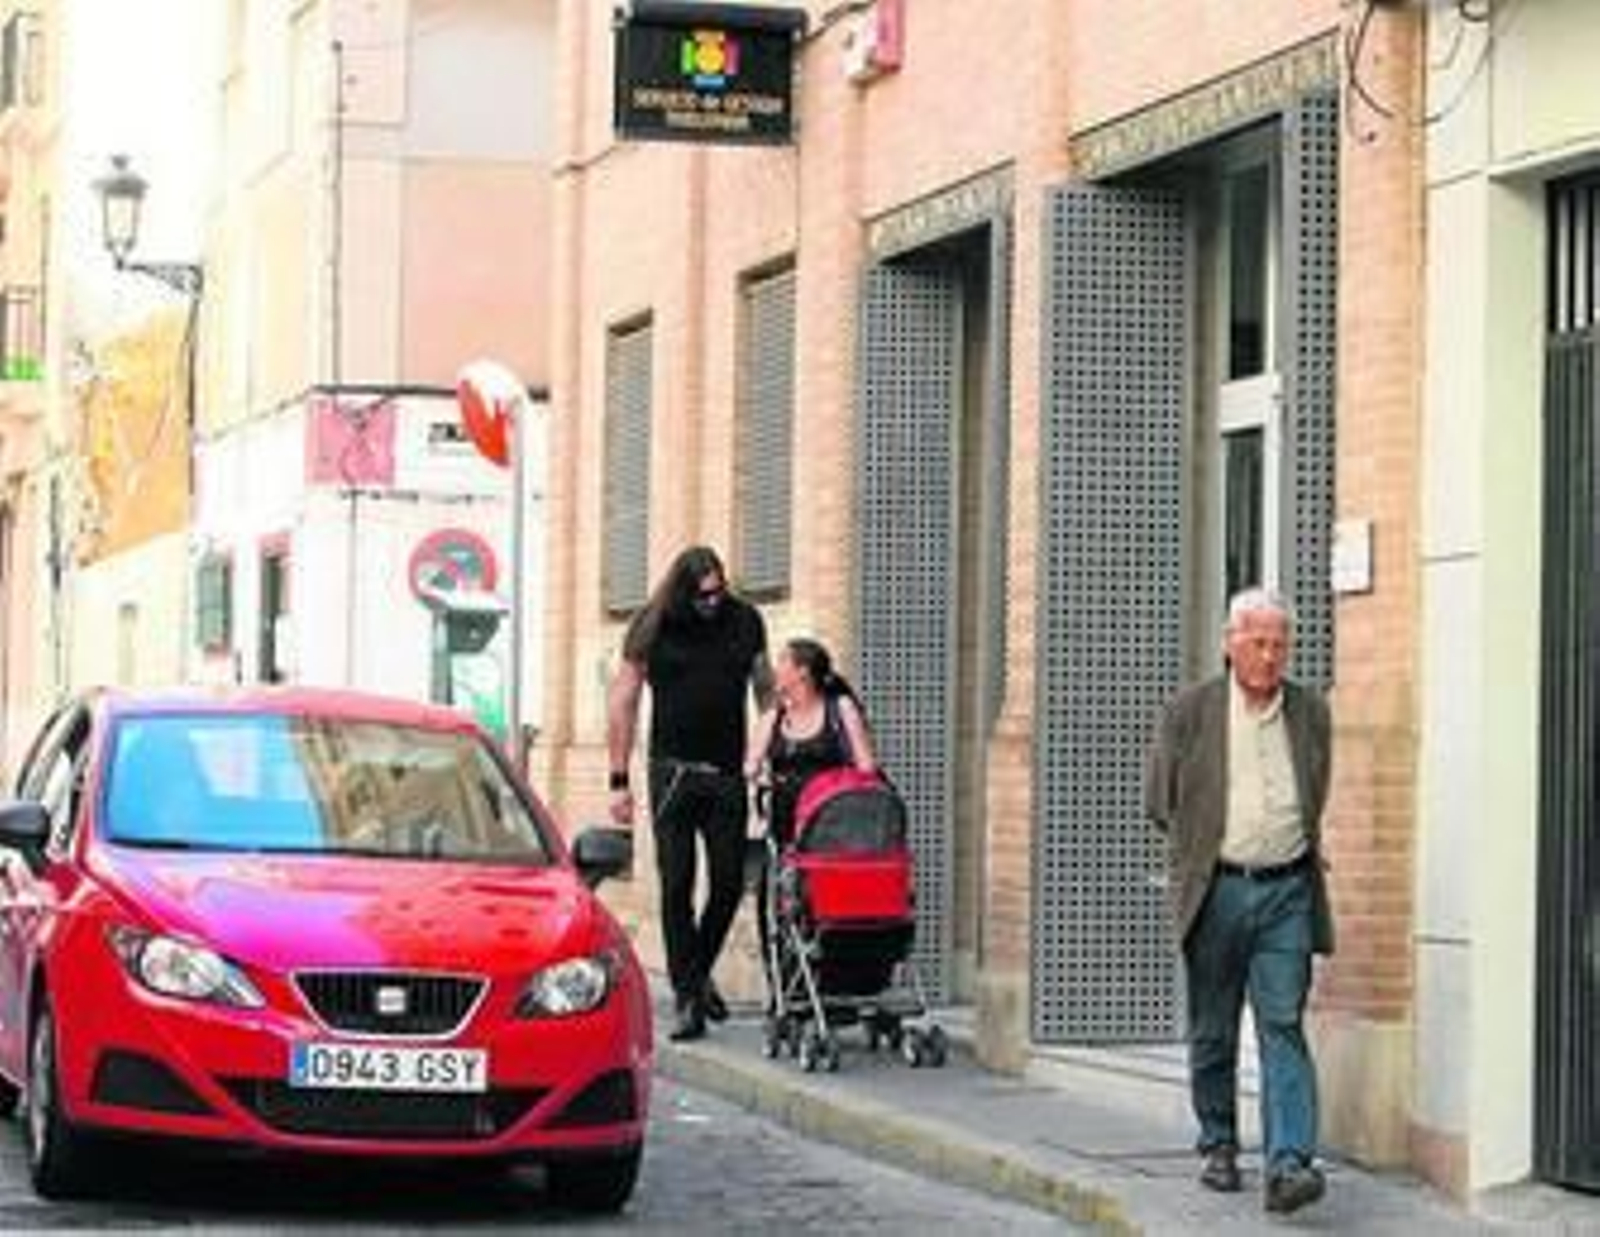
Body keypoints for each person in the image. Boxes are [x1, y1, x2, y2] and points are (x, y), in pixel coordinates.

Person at [1144, 587, 1334, 1216]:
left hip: (1287, 889)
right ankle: (1220, 1142)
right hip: (1218, 888)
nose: (1270, 655)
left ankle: (1288, 1164)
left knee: (1281, 1021)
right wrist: (1203, 850)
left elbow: (1316, 788)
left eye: (1281, 644)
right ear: (1231, 644)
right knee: (1215, 1027)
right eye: (1258, 641)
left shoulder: (1310, 713)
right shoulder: (1190, 712)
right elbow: (1160, 802)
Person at [607, 545, 773, 1042]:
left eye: (718, 592)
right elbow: (623, 701)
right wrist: (619, 779)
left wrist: (765, 756)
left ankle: (695, 976)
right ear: (683, 591)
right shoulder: (653, 624)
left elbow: (764, 692)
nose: (712, 603)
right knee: (676, 885)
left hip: (726, 773)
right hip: (672, 775)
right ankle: (687, 1000)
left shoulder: (746, 621)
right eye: (702, 596)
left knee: (727, 884)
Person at [745, 637, 878, 844]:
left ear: (802, 672)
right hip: (786, 825)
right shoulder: (773, 717)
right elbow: (750, 768)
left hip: (833, 822)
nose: (775, 669)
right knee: (790, 872)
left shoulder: (840, 709)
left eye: (782, 661)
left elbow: (867, 767)